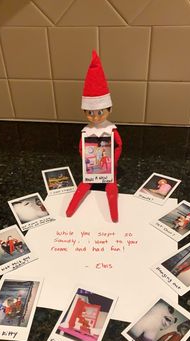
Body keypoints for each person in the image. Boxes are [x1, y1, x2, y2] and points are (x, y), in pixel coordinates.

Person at [66, 50, 122, 222]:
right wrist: (87, 160)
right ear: (84, 111)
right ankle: (68, 211)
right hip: (91, 169)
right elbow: (81, 148)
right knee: (83, 185)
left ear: (109, 109)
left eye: (100, 112)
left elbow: (119, 145)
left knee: (111, 187)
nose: (95, 117)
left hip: (108, 168)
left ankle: (114, 216)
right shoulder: (86, 131)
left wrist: (113, 161)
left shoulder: (111, 129)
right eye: (90, 113)